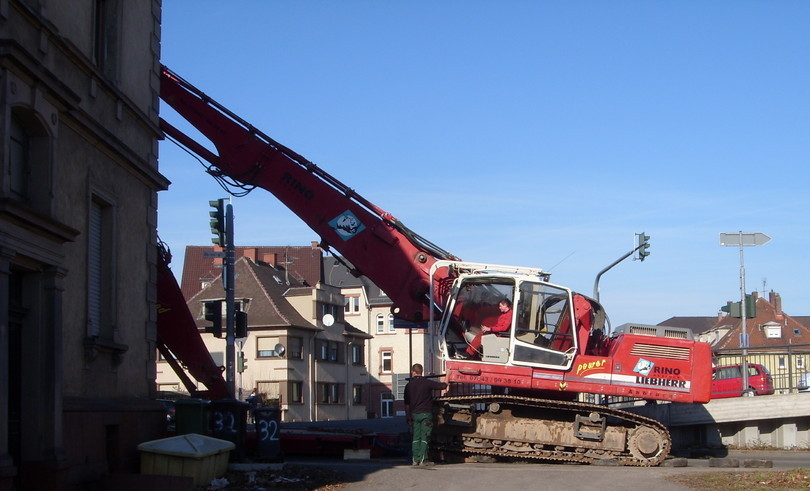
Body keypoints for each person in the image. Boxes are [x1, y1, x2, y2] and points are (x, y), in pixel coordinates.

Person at [403, 363, 447, 467]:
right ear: (421, 371)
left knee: (415, 437)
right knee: (424, 437)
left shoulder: (409, 385)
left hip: (414, 414)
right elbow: (442, 386)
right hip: (426, 414)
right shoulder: (427, 383)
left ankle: (415, 460)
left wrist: (408, 416)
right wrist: (448, 375)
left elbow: (406, 403)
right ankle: (423, 459)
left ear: (413, 372)